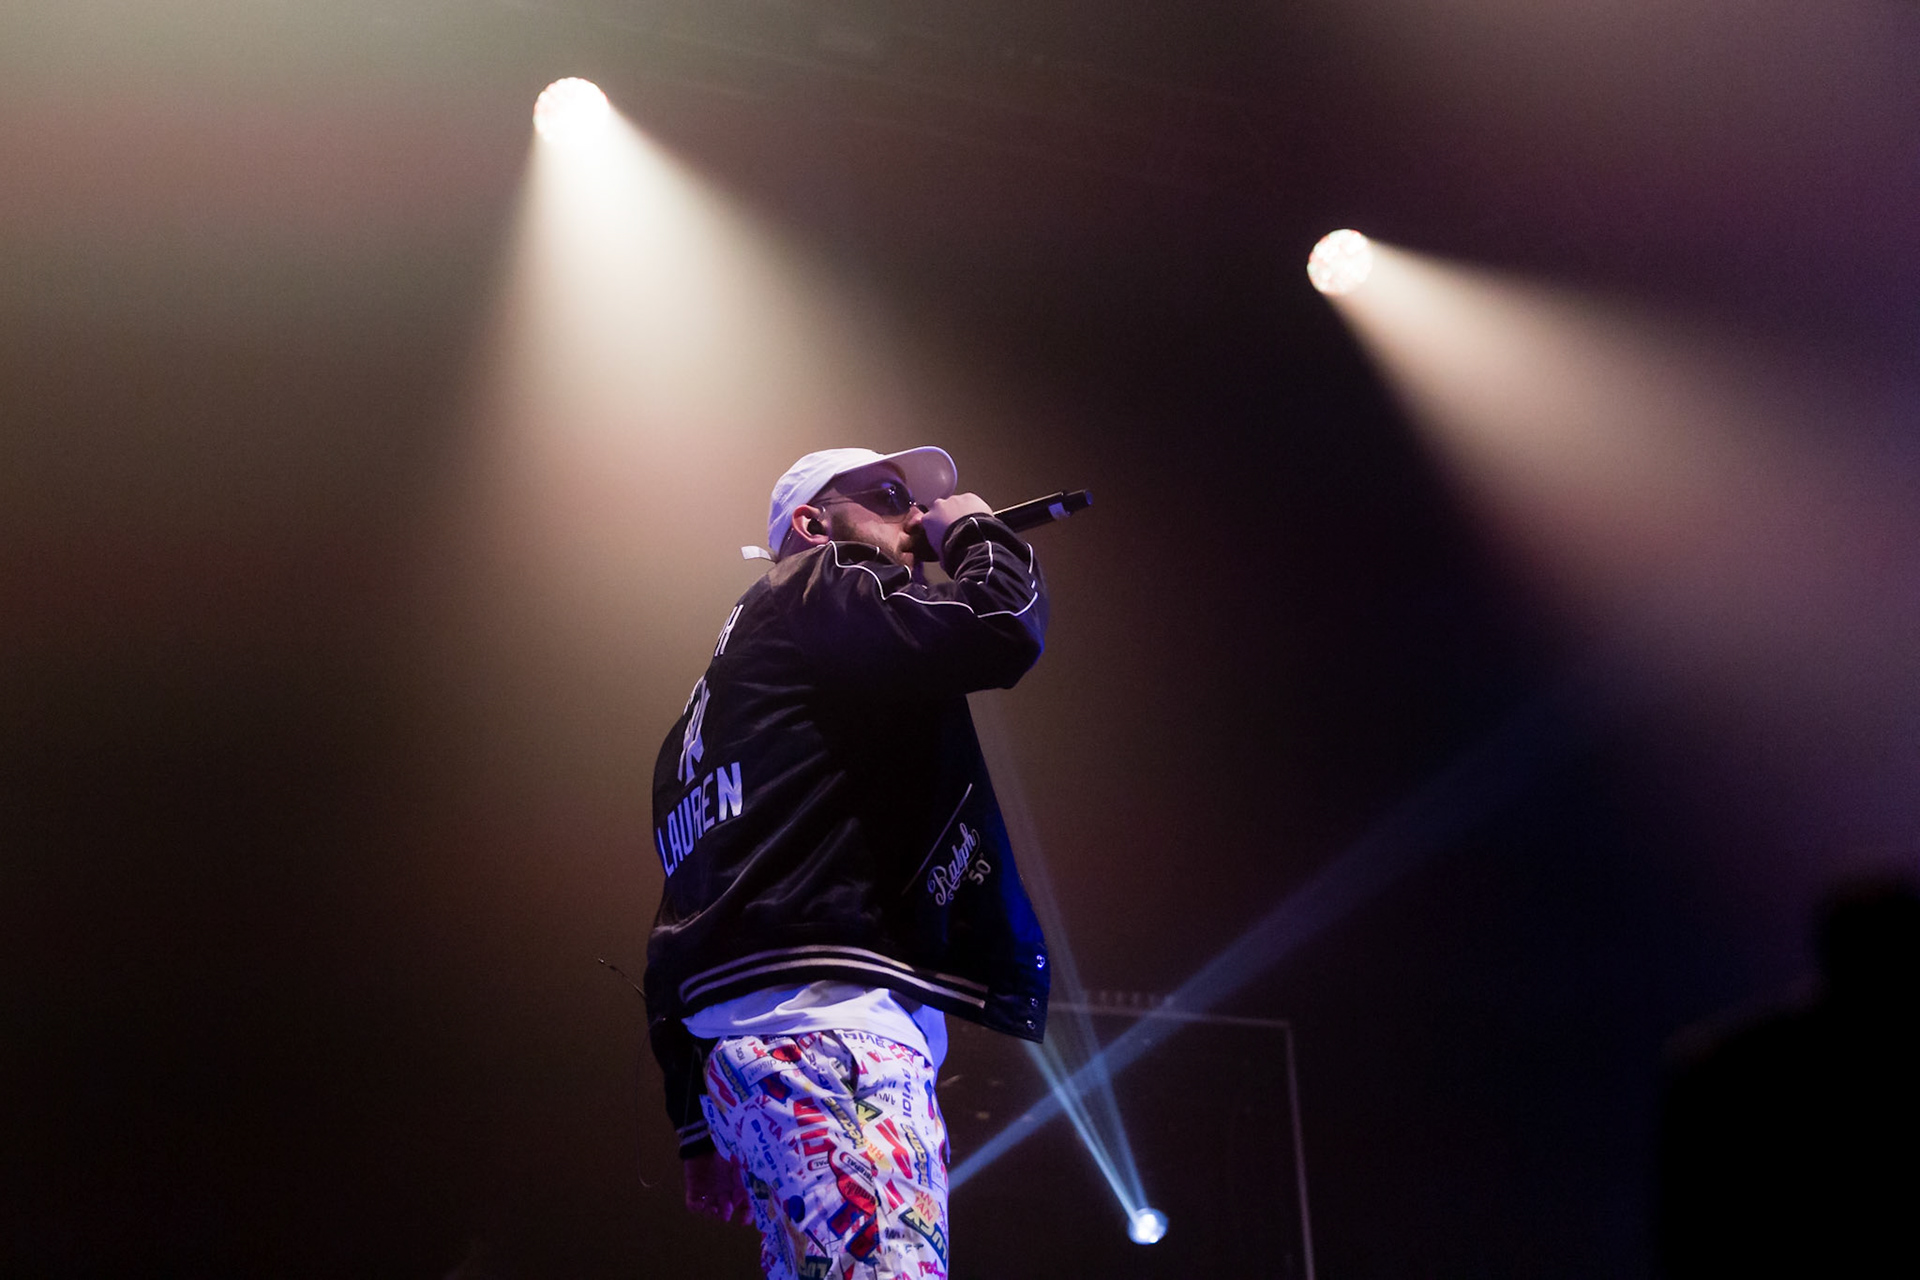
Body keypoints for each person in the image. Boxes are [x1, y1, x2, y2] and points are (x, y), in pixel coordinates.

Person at [643, 446, 1052, 1280]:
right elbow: (999, 628)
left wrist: (696, 1125)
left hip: (753, 1061)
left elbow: (676, 933)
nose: (913, 518)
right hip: (833, 1034)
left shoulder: (696, 727)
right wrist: (975, 528)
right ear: (812, 523)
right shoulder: (818, 583)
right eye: (890, 496)